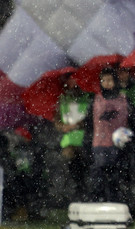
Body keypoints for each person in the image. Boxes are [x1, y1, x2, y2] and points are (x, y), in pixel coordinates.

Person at [87, 67, 135, 203]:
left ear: (115, 81)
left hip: (120, 145)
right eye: (104, 80)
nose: (107, 83)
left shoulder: (124, 100)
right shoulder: (95, 100)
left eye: (110, 80)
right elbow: (88, 124)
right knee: (99, 177)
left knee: (118, 177)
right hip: (100, 145)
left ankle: (118, 204)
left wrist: (129, 136)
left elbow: (132, 121)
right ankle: (98, 203)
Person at [53, 73, 92, 201]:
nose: (73, 84)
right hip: (69, 142)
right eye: (71, 81)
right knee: (71, 170)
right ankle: (74, 196)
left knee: (84, 170)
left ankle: (84, 195)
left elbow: (91, 119)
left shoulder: (87, 97)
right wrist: (64, 127)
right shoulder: (62, 100)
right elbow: (57, 122)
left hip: (84, 141)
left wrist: (81, 123)